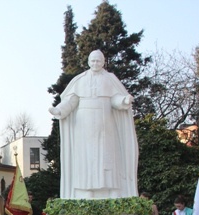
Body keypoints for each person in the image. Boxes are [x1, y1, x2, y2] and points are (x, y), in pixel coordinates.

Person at [49, 50, 139, 200]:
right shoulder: (80, 80)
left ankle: (111, 190)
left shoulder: (109, 79)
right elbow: (71, 101)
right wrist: (59, 109)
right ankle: (87, 191)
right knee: (86, 158)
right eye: (93, 61)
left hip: (105, 125)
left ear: (103, 62)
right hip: (84, 126)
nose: (95, 63)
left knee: (107, 157)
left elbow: (115, 99)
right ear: (88, 62)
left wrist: (124, 101)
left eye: (98, 61)